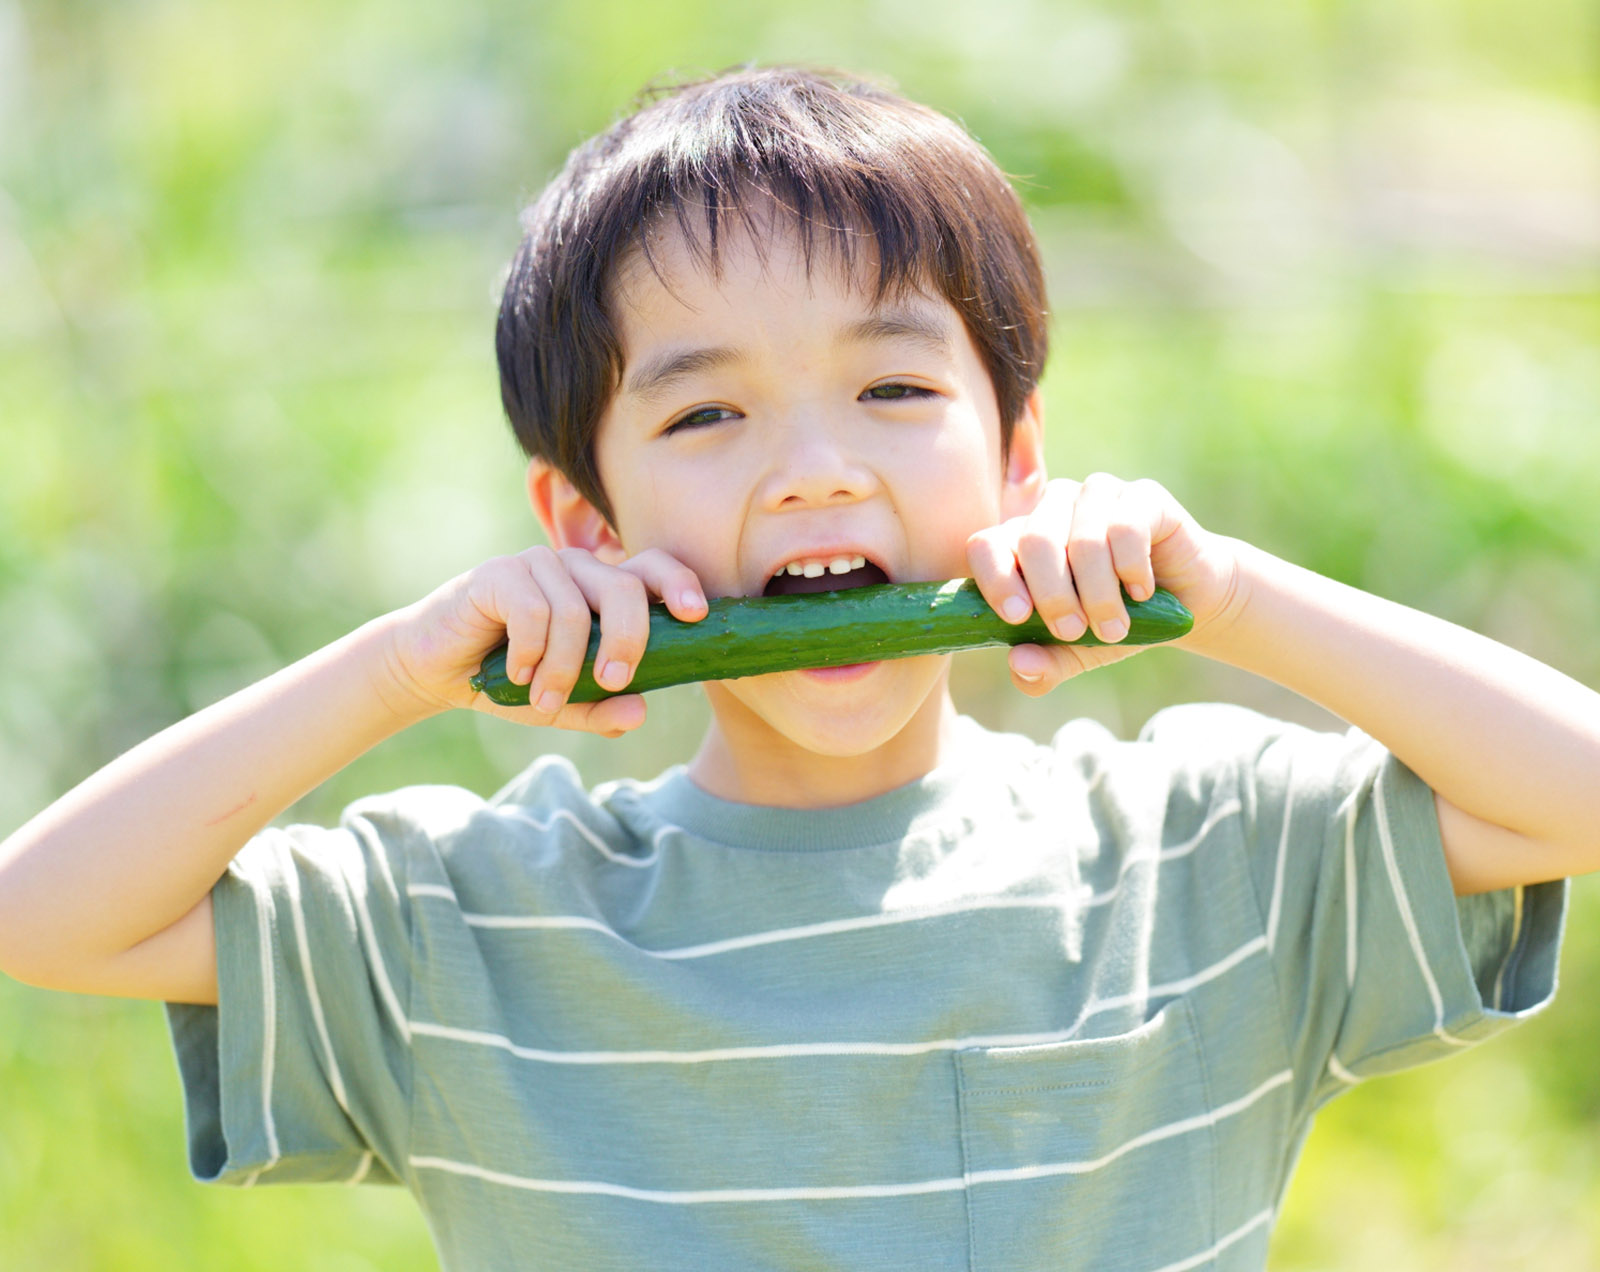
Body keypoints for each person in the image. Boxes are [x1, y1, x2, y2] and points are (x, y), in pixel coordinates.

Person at [0, 63, 1591, 1272]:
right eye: (707, 415)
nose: (816, 470)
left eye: (893, 388)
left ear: (1019, 459)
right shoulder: (476, 922)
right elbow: (47, 914)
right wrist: (403, 666)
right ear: (585, 520)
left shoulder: (1207, 853)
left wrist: (1232, 597)